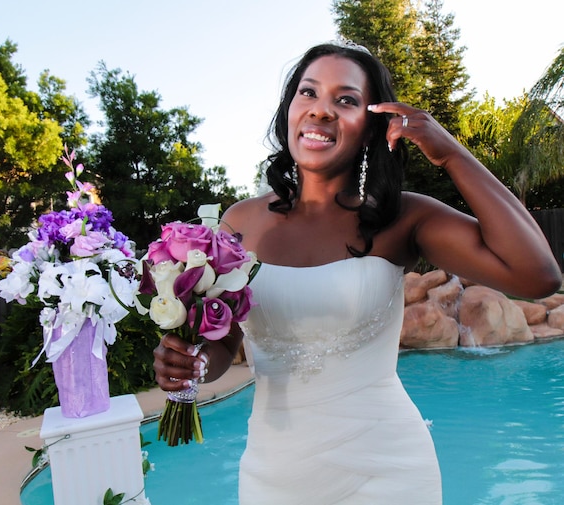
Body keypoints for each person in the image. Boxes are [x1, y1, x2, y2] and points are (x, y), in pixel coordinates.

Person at [153, 41, 561, 504]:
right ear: (289, 109)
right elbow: (225, 343)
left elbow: (538, 276)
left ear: (371, 129)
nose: (321, 110)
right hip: (275, 474)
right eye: (308, 93)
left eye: (345, 100)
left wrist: (450, 154)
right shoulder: (240, 222)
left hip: (388, 470)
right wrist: (191, 364)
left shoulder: (403, 218)